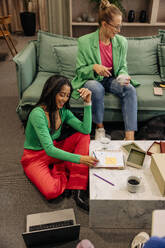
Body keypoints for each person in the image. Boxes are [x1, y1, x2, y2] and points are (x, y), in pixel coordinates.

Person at [21, 75, 98, 211]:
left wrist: (87, 103)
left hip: (54, 148)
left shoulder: (63, 112)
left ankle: (77, 188)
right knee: (51, 191)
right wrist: (80, 159)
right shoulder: (37, 114)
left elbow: (86, 129)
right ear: (51, 91)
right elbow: (49, 149)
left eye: (67, 95)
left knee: (83, 136)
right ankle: (63, 169)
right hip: (34, 158)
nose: (64, 99)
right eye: (62, 94)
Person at [71, 0, 140, 141]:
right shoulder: (84, 42)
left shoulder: (122, 42)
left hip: (111, 79)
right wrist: (94, 68)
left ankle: (129, 137)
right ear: (104, 24)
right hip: (92, 80)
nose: (119, 30)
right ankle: (99, 128)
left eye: (120, 26)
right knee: (96, 88)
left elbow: (122, 66)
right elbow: (80, 71)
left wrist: (122, 74)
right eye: (116, 27)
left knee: (130, 89)